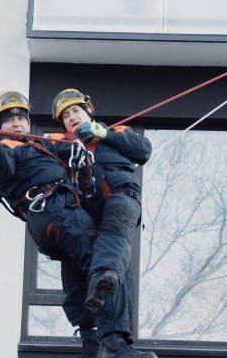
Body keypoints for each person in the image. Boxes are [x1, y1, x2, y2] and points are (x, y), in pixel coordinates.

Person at [0, 90, 156, 358]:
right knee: (108, 269)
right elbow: (4, 169)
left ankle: (98, 348)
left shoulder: (41, 145)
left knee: (89, 272)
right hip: (55, 210)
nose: (18, 123)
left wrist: (98, 137)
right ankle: (114, 347)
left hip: (62, 213)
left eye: (22, 118)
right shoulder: (7, 147)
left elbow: (140, 149)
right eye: (9, 120)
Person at [52, 89, 152, 314]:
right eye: (66, 116)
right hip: (87, 205)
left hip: (120, 193)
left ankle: (104, 280)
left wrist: (104, 134)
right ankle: (88, 325)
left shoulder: (116, 132)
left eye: (76, 111)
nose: (72, 117)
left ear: (88, 113)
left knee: (113, 235)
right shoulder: (62, 144)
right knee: (76, 255)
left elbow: (143, 151)